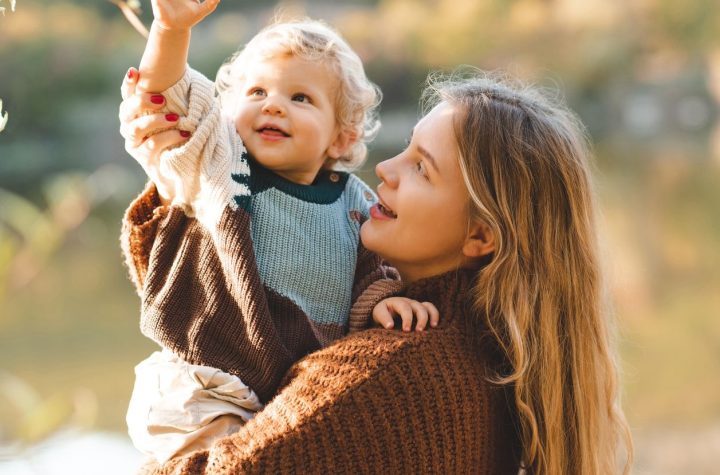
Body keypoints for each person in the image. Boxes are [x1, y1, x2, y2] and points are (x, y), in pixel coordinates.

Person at [120, 64, 633, 473]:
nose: (385, 170)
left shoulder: (385, 377)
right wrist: (182, 184)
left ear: (481, 235)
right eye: (405, 150)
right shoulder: (483, 355)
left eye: (420, 169)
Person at [120, 0, 437, 464]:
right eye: (256, 92)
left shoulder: (354, 202)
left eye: (300, 98)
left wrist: (384, 300)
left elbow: (373, 271)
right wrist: (170, 29)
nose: (273, 105)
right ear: (230, 111)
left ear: (342, 137)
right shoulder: (220, 165)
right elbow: (166, 98)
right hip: (205, 385)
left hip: (280, 394)